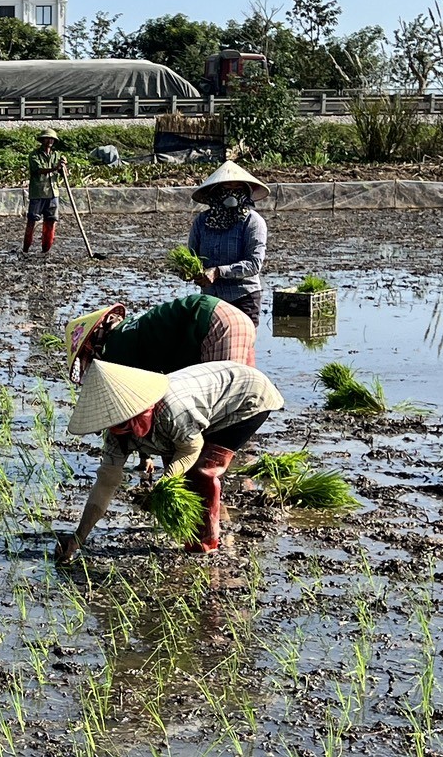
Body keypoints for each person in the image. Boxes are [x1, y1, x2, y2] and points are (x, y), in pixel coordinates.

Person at [55, 357, 286, 560]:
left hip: (247, 397)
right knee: (178, 468)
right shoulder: (118, 434)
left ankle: (205, 545)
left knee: (201, 470)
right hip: (205, 405)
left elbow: (189, 450)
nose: (117, 429)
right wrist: (79, 536)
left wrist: (162, 486)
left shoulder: (171, 410)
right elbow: (106, 483)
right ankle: (204, 526)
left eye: (123, 422)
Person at [64, 288, 255, 382]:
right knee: (244, 398)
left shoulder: (115, 350)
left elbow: (135, 398)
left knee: (223, 406)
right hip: (233, 317)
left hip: (215, 325)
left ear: (89, 347)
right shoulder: (128, 330)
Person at [186, 161, 268, 322]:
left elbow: (253, 264)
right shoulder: (202, 221)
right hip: (211, 300)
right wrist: (188, 270)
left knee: (238, 346)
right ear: (216, 192)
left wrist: (218, 272)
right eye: (226, 189)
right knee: (209, 346)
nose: (232, 194)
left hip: (242, 299)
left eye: (237, 189)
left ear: (246, 192)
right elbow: (192, 256)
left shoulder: (252, 222)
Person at [21, 129, 67, 258]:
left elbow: (63, 174)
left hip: (53, 193)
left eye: (51, 139)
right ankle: (25, 249)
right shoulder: (34, 155)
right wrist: (55, 168)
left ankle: (45, 250)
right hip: (38, 193)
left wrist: (63, 166)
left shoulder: (56, 155)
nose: (49, 141)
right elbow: (38, 170)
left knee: (51, 221)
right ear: (42, 140)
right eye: (47, 138)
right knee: (32, 221)